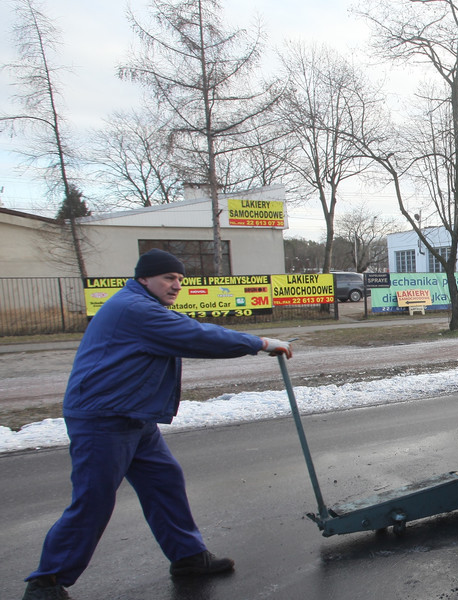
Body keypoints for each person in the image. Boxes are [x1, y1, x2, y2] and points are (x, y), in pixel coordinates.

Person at [22, 249, 294, 600]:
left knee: (164, 481)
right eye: (168, 278)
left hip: (133, 416)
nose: (176, 285)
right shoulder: (135, 310)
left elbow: (191, 330)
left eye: (180, 279)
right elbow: (197, 336)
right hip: (103, 418)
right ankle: (46, 581)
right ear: (143, 279)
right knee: (93, 500)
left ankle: (188, 557)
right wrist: (259, 343)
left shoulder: (142, 306)